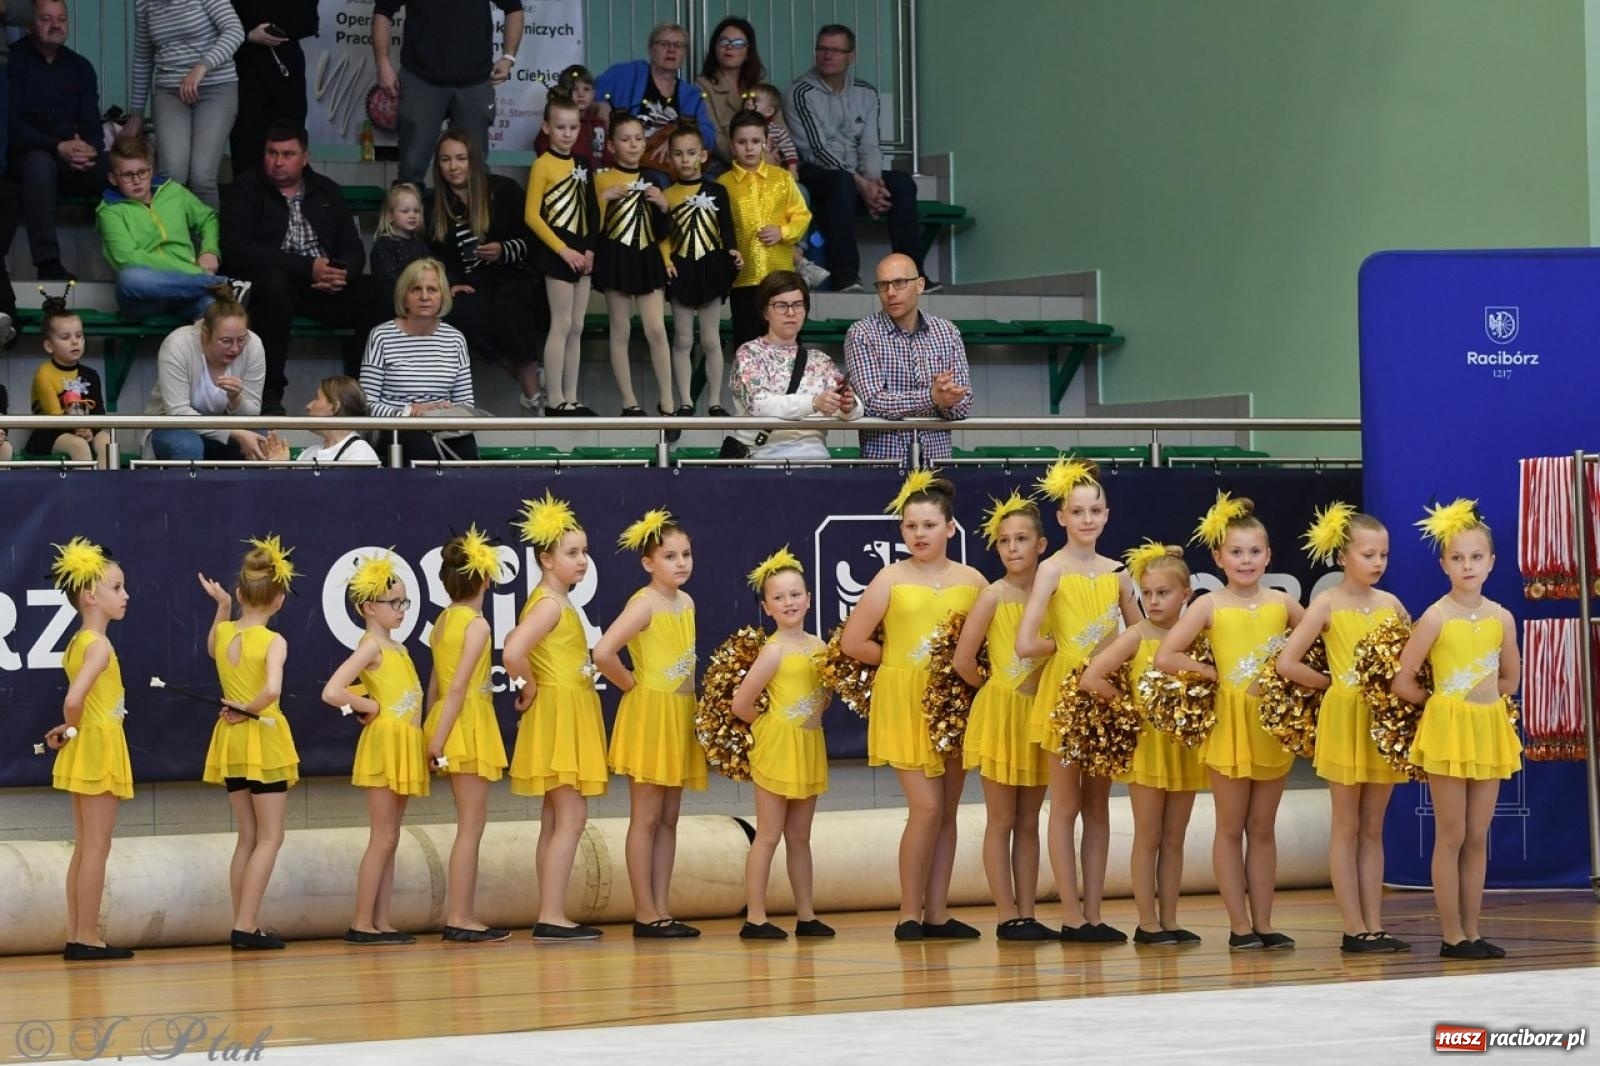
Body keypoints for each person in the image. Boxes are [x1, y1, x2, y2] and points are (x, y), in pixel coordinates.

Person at [1156, 492, 1305, 952]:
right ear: (1219, 557)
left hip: (1269, 725)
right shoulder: (1208, 605)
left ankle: (1264, 921)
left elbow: (1321, 634)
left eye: (1255, 552)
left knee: (1263, 827)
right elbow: (1166, 655)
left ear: (1269, 556)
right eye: (1236, 552)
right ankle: (1239, 927)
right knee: (1229, 826)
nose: (1246, 560)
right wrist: (1211, 674)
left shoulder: (1282, 603)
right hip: (1229, 726)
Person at [841, 473, 986, 940]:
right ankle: (908, 912)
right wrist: (902, 663)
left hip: (955, 703)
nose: (919, 534)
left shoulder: (973, 580)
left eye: (928, 525)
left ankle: (938, 912)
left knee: (946, 811)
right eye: (910, 526)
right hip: (905, 702)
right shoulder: (890, 577)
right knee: (925, 808)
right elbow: (853, 641)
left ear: (949, 528)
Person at [1279, 504, 1412, 954]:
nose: (1377, 563)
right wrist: (1334, 684)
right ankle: (1353, 927)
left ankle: (1375, 923)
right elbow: (1287, 662)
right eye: (1368, 554)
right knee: (1346, 825)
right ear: (1343, 558)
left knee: (1373, 827)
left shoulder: (1392, 605)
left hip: (1379, 720)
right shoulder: (1326, 604)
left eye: (1384, 555)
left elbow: (1410, 662)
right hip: (1344, 717)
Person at [1016, 460, 1141, 941]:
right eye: (1077, 511)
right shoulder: (1051, 569)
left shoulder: (1118, 574)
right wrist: (1070, 652)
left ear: (1107, 515)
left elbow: (1140, 632)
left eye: (1095, 510)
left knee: (1099, 808)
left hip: (1104, 694)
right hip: (1066, 694)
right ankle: (1070, 916)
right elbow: (1026, 642)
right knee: (1065, 805)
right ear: (1062, 517)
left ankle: (1094, 913)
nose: (1087, 519)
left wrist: (1113, 658)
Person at [1393, 499, 1522, 961]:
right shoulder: (1435, 616)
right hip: (1448, 730)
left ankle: (1473, 929)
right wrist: (1443, 705)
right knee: (1451, 833)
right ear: (1443, 564)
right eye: (1457, 558)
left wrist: (1483, 705)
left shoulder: (1501, 617)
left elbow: (1510, 678)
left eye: (1476, 557)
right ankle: (1452, 935)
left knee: (1477, 834)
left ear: (1492, 562)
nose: (1467, 566)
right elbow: (1402, 680)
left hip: (1486, 729)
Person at [1081, 542, 1206, 946]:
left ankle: (1170, 919)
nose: (1152, 601)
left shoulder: (1198, 636)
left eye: (1163, 593)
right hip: (1148, 748)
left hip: (1183, 747)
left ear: (1186, 594)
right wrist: (1130, 709)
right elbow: (1092, 677)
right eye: (1146, 593)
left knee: (1175, 837)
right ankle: (1146, 923)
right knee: (1148, 835)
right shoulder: (1135, 636)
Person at [593, 509, 708, 940]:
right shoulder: (644, 604)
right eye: (670, 556)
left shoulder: (687, 602)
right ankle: (645, 912)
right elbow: (603, 652)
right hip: (650, 712)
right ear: (648, 563)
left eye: (686, 554)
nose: (681, 563)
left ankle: (662, 907)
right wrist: (631, 685)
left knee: (669, 817)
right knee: (645, 817)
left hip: (678, 712)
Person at [504, 492, 607, 941]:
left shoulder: (555, 601)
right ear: (546, 559)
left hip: (564, 709)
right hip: (561, 711)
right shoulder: (549, 604)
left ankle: (550, 910)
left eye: (584, 552)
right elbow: (512, 651)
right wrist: (528, 683)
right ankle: (551, 914)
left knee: (555, 817)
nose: (582, 561)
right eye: (572, 553)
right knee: (571, 816)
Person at [952, 492, 1053, 941]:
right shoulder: (992, 596)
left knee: (1030, 820)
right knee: (1002, 819)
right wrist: (998, 692)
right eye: (1004, 541)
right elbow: (963, 660)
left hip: (1040, 712)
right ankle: (1006, 914)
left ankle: (1028, 912)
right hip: (1001, 713)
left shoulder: (1055, 595)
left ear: (1042, 545)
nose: (1012, 548)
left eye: (1021, 539)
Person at [219, 120, 374, 414]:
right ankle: (269, 395)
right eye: (272, 153)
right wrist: (307, 267)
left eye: (288, 154)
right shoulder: (245, 189)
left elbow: (353, 247)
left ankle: (355, 393)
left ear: (306, 157)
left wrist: (342, 273)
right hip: (270, 285)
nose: (278, 162)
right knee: (275, 285)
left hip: (324, 285)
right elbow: (238, 251)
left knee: (377, 292)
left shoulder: (327, 191)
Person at [196, 535, 298, 951]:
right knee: (271, 836)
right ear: (280, 600)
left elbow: (210, 646)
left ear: (239, 593)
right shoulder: (274, 641)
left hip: (232, 741)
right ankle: (246, 925)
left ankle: (244, 922)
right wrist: (248, 708)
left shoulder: (224, 634)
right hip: (261, 734)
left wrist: (221, 608)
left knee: (247, 836)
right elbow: (271, 689)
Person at [321, 551, 428, 946]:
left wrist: (367, 700)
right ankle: (362, 921)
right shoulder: (371, 647)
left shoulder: (398, 648)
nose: (401, 610)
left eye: (404, 602)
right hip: (385, 743)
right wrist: (369, 706)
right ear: (369, 607)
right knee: (382, 835)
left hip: (403, 742)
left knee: (392, 837)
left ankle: (381, 920)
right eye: (393, 603)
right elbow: (332, 692)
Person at [732, 547, 834, 941]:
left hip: (809, 746)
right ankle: (755, 917)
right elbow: (742, 703)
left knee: (800, 836)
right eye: (779, 597)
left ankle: (806, 915)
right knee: (769, 833)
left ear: (809, 599)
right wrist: (774, 729)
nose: (788, 602)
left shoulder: (820, 647)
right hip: (777, 746)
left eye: (795, 594)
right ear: (766, 606)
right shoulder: (773, 651)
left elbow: (823, 696)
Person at [44, 536, 134, 961]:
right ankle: (86, 937)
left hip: (89, 739)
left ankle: (79, 932)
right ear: (90, 595)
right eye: (117, 588)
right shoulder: (98, 646)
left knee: (86, 844)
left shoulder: (80, 641)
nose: (125, 595)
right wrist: (73, 725)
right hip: (98, 742)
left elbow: (77, 704)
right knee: (97, 844)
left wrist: (68, 729)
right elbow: (74, 700)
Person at [421, 526, 511, 944]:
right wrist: (438, 738)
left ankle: (462, 913)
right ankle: (460, 915)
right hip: (466, 722)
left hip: (447, 719)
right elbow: (455, 687)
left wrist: (431, 728)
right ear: (486, 580)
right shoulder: (476, 624)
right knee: (471, 825)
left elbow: (434, 686)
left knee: (468, 823)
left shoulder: (442, 621)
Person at [787, 24, 925, 293]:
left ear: (851, 56)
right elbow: (817, 149)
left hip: (857, 173)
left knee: (903, 184)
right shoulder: (800, 92)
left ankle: (913, 276)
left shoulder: (866, 92)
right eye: (822, 49)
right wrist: (859, 182)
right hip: (816, 170)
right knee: (841, 183)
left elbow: (870, 143)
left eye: (836, 50)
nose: (828, 55)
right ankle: (845, 276)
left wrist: (873, 182)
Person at [427, 129, 546, 410]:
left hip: (511, 272)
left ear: (474, 160)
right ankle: (520, 373)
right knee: (459, 309)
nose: (453, 167)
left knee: (511, 302)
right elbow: (431, 255)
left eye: (460, 158)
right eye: (446, 160)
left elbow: (533, 241)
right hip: (470, 282)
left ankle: (532, 391)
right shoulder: (432, 205)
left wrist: (503, 250)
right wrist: (449, 282)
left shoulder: (503, 189)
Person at [372, 0, 524, 185]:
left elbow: (514, 8)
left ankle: (469, 213)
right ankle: (409, 212)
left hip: (474, 81)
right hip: (420, 78)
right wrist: (382, 62)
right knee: (411, 168)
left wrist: (508, 57)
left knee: (474, 169)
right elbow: (382, 11)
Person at [6, 0, 105, 281]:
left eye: (62, 18)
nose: (56, 25)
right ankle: (48, 263)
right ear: (29, 24)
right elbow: (10, 126)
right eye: (46, 18)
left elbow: (92, 125)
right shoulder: (11, 62)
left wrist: (90, 149)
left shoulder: (80, 67)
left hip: (72, 159)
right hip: (27, 156)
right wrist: (56, 147)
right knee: (39, 164)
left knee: (119, 169)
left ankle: (135, 257)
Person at [97, 132, 243, 320]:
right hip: (148, 298)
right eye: (127, 174)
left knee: (216, 311)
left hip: (189, 295)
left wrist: (210, 251)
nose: (136, 180)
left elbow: (209, 218)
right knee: (129, 278)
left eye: (143, 172)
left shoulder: (172, 191)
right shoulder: (109, 211)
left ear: (152, 169)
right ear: (113, 178)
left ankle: (219, 293)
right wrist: (192, 273)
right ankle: (221, 285)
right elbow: (129, 259)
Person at [844, 253, 972, 464]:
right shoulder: (862, 333)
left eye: (899, 283)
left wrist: (948, 400)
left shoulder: (947, 331)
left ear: (920, 285)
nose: (890, 293)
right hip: (884, 463)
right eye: (883, 285)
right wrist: (932, 398)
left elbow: (964, 403)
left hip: (937, 462)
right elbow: (873, 402)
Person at [126, 0, 245, 210]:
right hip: (170, 91)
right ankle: (174, 241)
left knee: (202, 177)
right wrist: (136, 113)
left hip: (215, 88)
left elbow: (235, 30)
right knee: (172, 174)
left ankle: (208, 242)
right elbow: (143, 56)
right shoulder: (143, 3)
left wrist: (202, 66)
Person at [728, 270, 860, 460]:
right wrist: (814, 402)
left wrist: (849, 405)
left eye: (797, 305)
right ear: (765, 311)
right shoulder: (748, 353)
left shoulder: (820, 360)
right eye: (781, 305)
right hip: (762, 463)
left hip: (816, 462)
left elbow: (851, 409)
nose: (791, 312)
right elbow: (759, 405)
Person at [358, 257, 477, 464]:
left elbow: (466, 404)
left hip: (442, 425)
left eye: (432, 289)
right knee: (423, 447)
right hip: (394, 427)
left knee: (467, 448)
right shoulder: (381, 336)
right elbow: (365, 404)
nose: (424, 296)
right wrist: (410, 413)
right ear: (404, 297)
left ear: (442, 296)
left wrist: (440, 413)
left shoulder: (455, 339)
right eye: (416, 289)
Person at [593, 112, 672, 418]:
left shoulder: (655, 179)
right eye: (625, 140)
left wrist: (664, 207)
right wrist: (603, 197)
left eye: (638, 139)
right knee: (620, 330)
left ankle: (667, 402)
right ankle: (630, 402)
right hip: (616, 258)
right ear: (611, 146)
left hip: (647, 258)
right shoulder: (602, 179)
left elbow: (663, 232)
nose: (633, 145)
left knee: (656, 329)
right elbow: (592, 228)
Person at [524, 91, 599, 416]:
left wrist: (591, 249)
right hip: (558, 253)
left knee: (577, 325)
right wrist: (563, 250)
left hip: (582, 252)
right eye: (560, 127)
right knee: (562, 322)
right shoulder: (542, 164)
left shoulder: (583, 163)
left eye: (573, 127)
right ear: (546, 128)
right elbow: (532, 216)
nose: (567, 134)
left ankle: (572, 395)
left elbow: (592, 209)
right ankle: (554, 397)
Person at [661, 122, 739, 415]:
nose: (685, 160)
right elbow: (664, 236)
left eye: (691, 153)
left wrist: (732, 249)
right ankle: (685, 401)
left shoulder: (717, 191)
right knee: (682, 339)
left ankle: (716, 401)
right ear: (670, 157)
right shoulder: (667, 195)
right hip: (680, 268)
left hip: (710, 266)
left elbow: (726, 227)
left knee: (710, 339)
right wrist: (666, 261)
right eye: (678, 154)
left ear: (703, 155)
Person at [719, 109, 811, 348]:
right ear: (732, 145)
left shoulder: (782, 178)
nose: (749, 148)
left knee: (787, 341)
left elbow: (801, 215)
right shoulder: (723, 184)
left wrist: (783, 231)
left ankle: (791, 387)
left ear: (767, 143)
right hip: (742, 280)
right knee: (747, 344)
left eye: (755, 141)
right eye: (742, 142)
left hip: (780, 277)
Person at [143, 289, 269, 461]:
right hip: (172, 425)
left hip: (228, 426)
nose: (235, 348)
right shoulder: (177, 344)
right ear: (205, 333)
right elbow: (178, 412)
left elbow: (253, 413)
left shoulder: (253, 345)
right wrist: (232, 432)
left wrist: (236, 400)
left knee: (262, 439)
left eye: (241, 339)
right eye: (226, 341)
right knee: (188, 446)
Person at [595, 22, 716, 174]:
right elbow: (587, 90)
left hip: (674, 166)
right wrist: (600, 103)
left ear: (684, 53)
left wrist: (679, 141)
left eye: (678, 45)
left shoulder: (691, 95)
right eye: (664, 44)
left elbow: (709, 137)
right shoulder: (627, 74)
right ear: (650, 49)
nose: (671, 50)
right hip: (630, 162)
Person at [227, 1, 318, 172]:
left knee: (288, 138)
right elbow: (218, 20)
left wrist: (276, 29)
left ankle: (290, 197)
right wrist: (248, 34)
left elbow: (308, 20)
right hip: (244, 67)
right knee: (246, 143)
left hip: (285, 65)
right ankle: (248, 197)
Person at [25, 295, 110, 467]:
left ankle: (105, 488)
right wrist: (80, 430)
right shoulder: (44, 374)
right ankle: (85, 491)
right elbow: (55, 418)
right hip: (49, 433)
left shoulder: (91, 374)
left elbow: (99, 413)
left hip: (84, 429)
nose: (74, 342)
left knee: (107, 440)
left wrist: (91, 430)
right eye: (65, 337)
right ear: (49, 346)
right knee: (78, 445)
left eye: (79, 336)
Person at [694, 16, 763, 168]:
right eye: (724, 41)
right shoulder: (702, 86)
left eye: (738, 43)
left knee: (800, 190)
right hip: (724, 164)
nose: (729, 47)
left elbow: (778, 127)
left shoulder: (759, 87)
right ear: (714, 48)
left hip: (763, 161)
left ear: (748, 53)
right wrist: (747, 159)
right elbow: (714, 137)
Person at [269, 374, 378, 463]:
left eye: (316, 398)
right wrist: (281, 467)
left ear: (334, 408)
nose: (308, 406)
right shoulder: (308, 455)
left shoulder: (360, 454)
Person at [533, 64, 607, 170]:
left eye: (586, 89)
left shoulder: (598, 123)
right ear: (564, 92)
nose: (581, 94)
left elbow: (608, 160)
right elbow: (544, 155)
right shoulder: (554, 125)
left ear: (593, 94)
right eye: (574, 89)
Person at [370, 182, 431, 306]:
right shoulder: (384, 245)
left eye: (416, 211)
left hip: (421, 300)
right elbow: (386, 282)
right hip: (394, 304)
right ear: (391, 215)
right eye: (405, 211)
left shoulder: (419, 243)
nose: (412, 215)